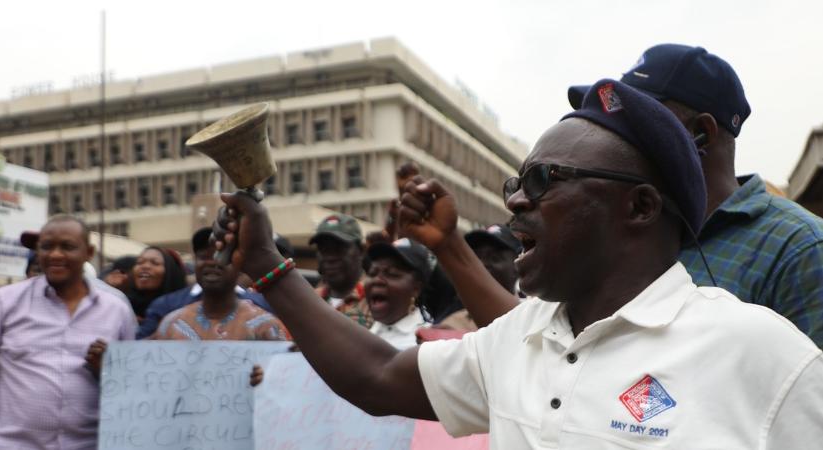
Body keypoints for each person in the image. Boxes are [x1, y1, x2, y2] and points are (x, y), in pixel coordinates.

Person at [212, 79, 823, 448]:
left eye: (543, 179)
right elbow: (378, 377)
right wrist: (269, 267)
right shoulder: (519, 339)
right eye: (516, 180)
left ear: (638, 207)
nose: (515, 200)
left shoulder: (761, 354)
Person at [568, 44, 823, 347]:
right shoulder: (630, 229)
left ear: (700, 131)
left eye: (637, 121)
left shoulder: (799, 248)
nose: (614, 135)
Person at [0, 215, 137, 450]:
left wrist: (109, 370)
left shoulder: (117, 310)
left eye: (67, 247)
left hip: (89, 445)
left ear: (89, 252)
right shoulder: (5, 302)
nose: (55, 255)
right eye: (46, 246)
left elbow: (134, 384)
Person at [136, 227, 280, 339]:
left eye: (222, 256)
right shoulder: (170, 319)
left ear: (240, 264)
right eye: (204, 257)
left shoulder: (265, 318)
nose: (212, 263)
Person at [365, 238, 432, 349]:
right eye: (372, 273)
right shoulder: (360, 331)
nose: (377, 280)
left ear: (416, 288)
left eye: (392, 274)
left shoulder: (427, 342)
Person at [310, 214, 373, 328]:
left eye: (339, 248)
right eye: (323, 249)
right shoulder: (310, 300)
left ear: (361, 251)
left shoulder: (377, 299)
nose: (330, 257)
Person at [125, 246, 187, 321]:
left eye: (155, 263)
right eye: (140, 262)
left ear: (171, 272)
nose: (145, 266)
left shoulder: (186, 310)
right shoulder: (123, 305)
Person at [464, 224, 522, 296]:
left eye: (494, 258)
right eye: (476, 257)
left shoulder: (532, 305)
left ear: (518, 266)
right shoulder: (454, 303)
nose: (482, 264)